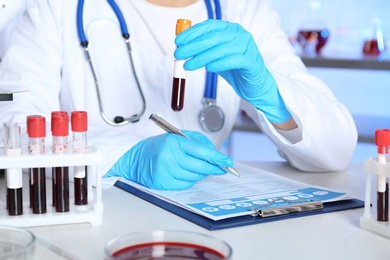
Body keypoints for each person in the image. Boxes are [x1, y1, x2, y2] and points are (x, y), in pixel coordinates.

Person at [0, 0, 357, 190]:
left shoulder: (244, 10)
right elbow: (12, 126)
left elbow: (337, 150)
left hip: (207, 225)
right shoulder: (57, 6)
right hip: (88, 214)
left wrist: (272, 95)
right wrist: (124, 158)